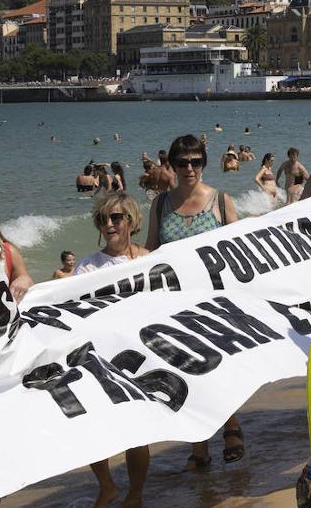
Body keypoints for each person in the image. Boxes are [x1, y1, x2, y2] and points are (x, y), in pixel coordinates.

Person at [144, 135, 243, 468]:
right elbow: (151, 250)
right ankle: (199, 446)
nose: (190, 168)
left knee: (219, 368)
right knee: (189, 371)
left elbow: (240, 249)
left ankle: (231, 425)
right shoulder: (160, 204)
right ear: (172, 165)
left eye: (196, 161)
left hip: (216, 302)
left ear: (204, 163)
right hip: (175, 304)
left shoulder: (220, 200)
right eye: (183, 162)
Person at [78, 193, 151, 507]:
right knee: (93, 428)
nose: (109, 224)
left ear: (131, 221)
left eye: (116, 218)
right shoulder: (87, 266)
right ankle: (106, 485)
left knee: (137, 432)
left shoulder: (150, 260)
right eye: (103, 219)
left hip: (140, 354)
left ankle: (135, 494)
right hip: (100, 356)